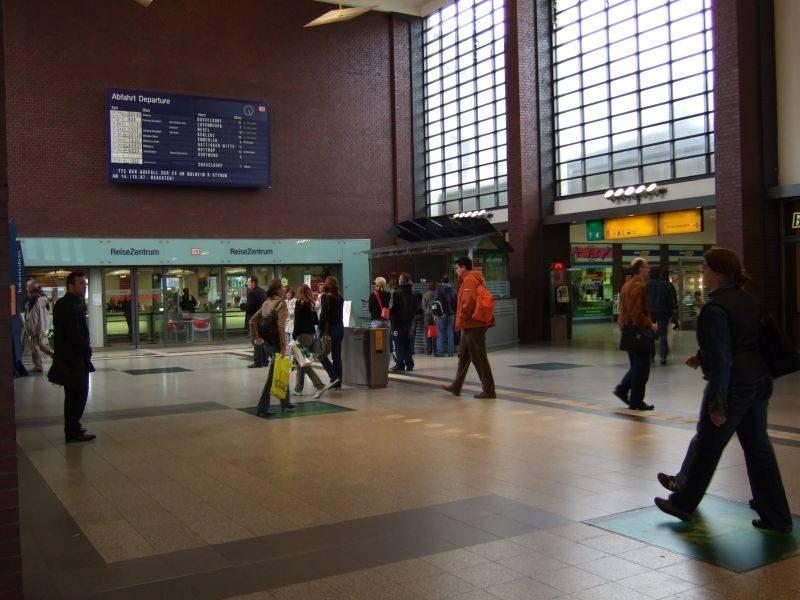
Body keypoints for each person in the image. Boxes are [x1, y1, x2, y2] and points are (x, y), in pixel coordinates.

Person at [655, 248, 792, 533]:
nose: (702, 274)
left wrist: (718, 403)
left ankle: (681, 502)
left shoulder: (715, 308)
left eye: (704, 268)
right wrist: (702, 356)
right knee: (758, 448)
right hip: (759, 382)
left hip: (733, 388)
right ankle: (776, 515)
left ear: (717, 273)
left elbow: (724, 359)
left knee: (707, 444)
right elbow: (742, 342)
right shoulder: (748, 300)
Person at [47, 272, 96, 443]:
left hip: (75, 357)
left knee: (77, 394)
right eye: (81, 283)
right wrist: (84, 348)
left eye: (85, 283)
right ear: (71, 285)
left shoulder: (74, 303)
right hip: (72, 359)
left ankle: (74, 427)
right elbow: (72, 333)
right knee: (77, 394)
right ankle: (72, 431)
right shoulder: (67, 305)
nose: (84, 286)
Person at [441, 257, 496, 399]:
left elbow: (468, 302)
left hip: (473, 325)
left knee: (479, 357)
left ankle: (489, 390)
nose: (456, 270)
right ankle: (456, 386)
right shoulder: (470, 279)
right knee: (464, 356)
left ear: (463, 267)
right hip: (471, 325)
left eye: (457, 268)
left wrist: (462, 318)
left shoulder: (469, 280)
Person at [614, 259, 657, 411]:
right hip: (637, 332)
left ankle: (625, 392)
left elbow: (623, 309)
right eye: (647, 267)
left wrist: (622, 323)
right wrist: (650, 324)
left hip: (628, 330)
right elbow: (637, 313)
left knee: (636, 366)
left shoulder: (626, 285)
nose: (648, 269)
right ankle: (635, 400)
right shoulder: (638, 286)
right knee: (642, 368)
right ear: (639, 269)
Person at [250, 279, 295, 417]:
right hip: (276, 343)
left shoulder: (266, 303)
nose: (284, 289)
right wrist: (283, 347)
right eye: (282, 287)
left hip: (267, 343)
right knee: (272, 377)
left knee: (281, 370)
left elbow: (252, 320)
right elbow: (281, 327)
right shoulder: (280, 305)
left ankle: (285, 402)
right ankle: (262, 408)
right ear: (277, 289)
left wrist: (256, 338)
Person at [293, 284, 339, 398]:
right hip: (310, 336)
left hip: (301, 337)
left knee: (303, 363)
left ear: (299, 292)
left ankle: (319, 385)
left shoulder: (299, 304)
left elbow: (297, 323)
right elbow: (316, 321)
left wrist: (294, 336)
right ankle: (298, 389)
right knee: (300, 363)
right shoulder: (311, 304)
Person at [23, 279, 54, 373]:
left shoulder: (34, 298)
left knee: (34, 346)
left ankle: (38, 366)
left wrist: (32, 329)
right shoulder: (43, 296)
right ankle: (55, 356)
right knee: (39, 344)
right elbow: (48, 311)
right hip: (43, 325)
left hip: (36, 326)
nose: (27, 288)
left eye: (28, 287)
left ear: (32, 287)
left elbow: (33, 315)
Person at [319, 276, 344, 389]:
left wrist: (320, 330)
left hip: (330, 330)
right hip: (340, 328)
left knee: (321, 354)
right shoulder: (340, 297)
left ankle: (334, 376)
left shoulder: (325, 297)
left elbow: (323, 315)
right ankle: (338, 382)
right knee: (337, 355)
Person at [646, 267, 674, 365]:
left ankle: (651, 356)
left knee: (650, 335)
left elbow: (643, 300)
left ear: (650, 274)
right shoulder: (665, 285)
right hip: (663, 313)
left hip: (650, 313)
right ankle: (663, 357)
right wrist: (670, 313)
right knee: (663, 335)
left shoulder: (647, 285)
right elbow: (670, 301)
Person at [390, 273, 417, 372]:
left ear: (401, 280)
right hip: (409, 323)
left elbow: (394, 309)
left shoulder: (397, 293)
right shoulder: (413, 293)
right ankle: (409, 364)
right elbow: (415, 308)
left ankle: (400, 364)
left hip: (397, 323)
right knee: (408, 343)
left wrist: (391, 316)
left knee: (398, 344)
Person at [244, 275, 268, 368]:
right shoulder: (262, 291)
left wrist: (244, 306)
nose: (247, 284)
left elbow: (250, 307)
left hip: (254, 320)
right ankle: (265, 361)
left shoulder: (252, 293)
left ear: (253, 283)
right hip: (262, 319)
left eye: (248, 282)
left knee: (255, 340)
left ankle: (258, 361)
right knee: (262, 340)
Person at [434, 276, 456, 357]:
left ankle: (441, 352)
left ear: (441, 281)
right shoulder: (453, 289)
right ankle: (451, 352)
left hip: (441, 314)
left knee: (440, 333)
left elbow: (436, 302)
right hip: (451, 314)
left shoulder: (439, 289)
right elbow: (455, 301)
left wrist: (435, 314)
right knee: (450, 333)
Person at [422, 281, 437, 355]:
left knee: (427, 332)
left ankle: (428, 350)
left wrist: (427, 310)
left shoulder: (425, 294)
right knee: (435, 332)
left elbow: (423, 305)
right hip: (435, 315)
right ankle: (435, 349)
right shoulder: (437, 294)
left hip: (427, 315)